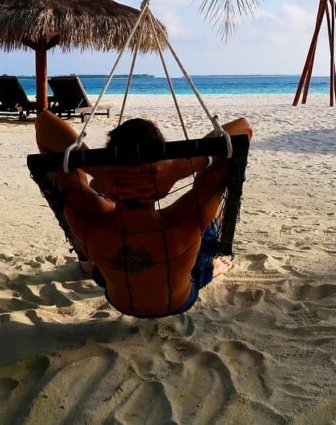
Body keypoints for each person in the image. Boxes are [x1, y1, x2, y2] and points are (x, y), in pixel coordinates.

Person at [35, 110, 253, 317]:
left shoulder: (89, 217)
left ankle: (94, 263)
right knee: (208, 225)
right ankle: (211, 268)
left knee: (93, 197)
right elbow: (243, 129)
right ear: (161, 170)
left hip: (118, 298)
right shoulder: (185, 222)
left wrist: (95, 169)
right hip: (179, 301)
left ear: (109, 168)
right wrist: (180, 167)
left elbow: (44, 122)